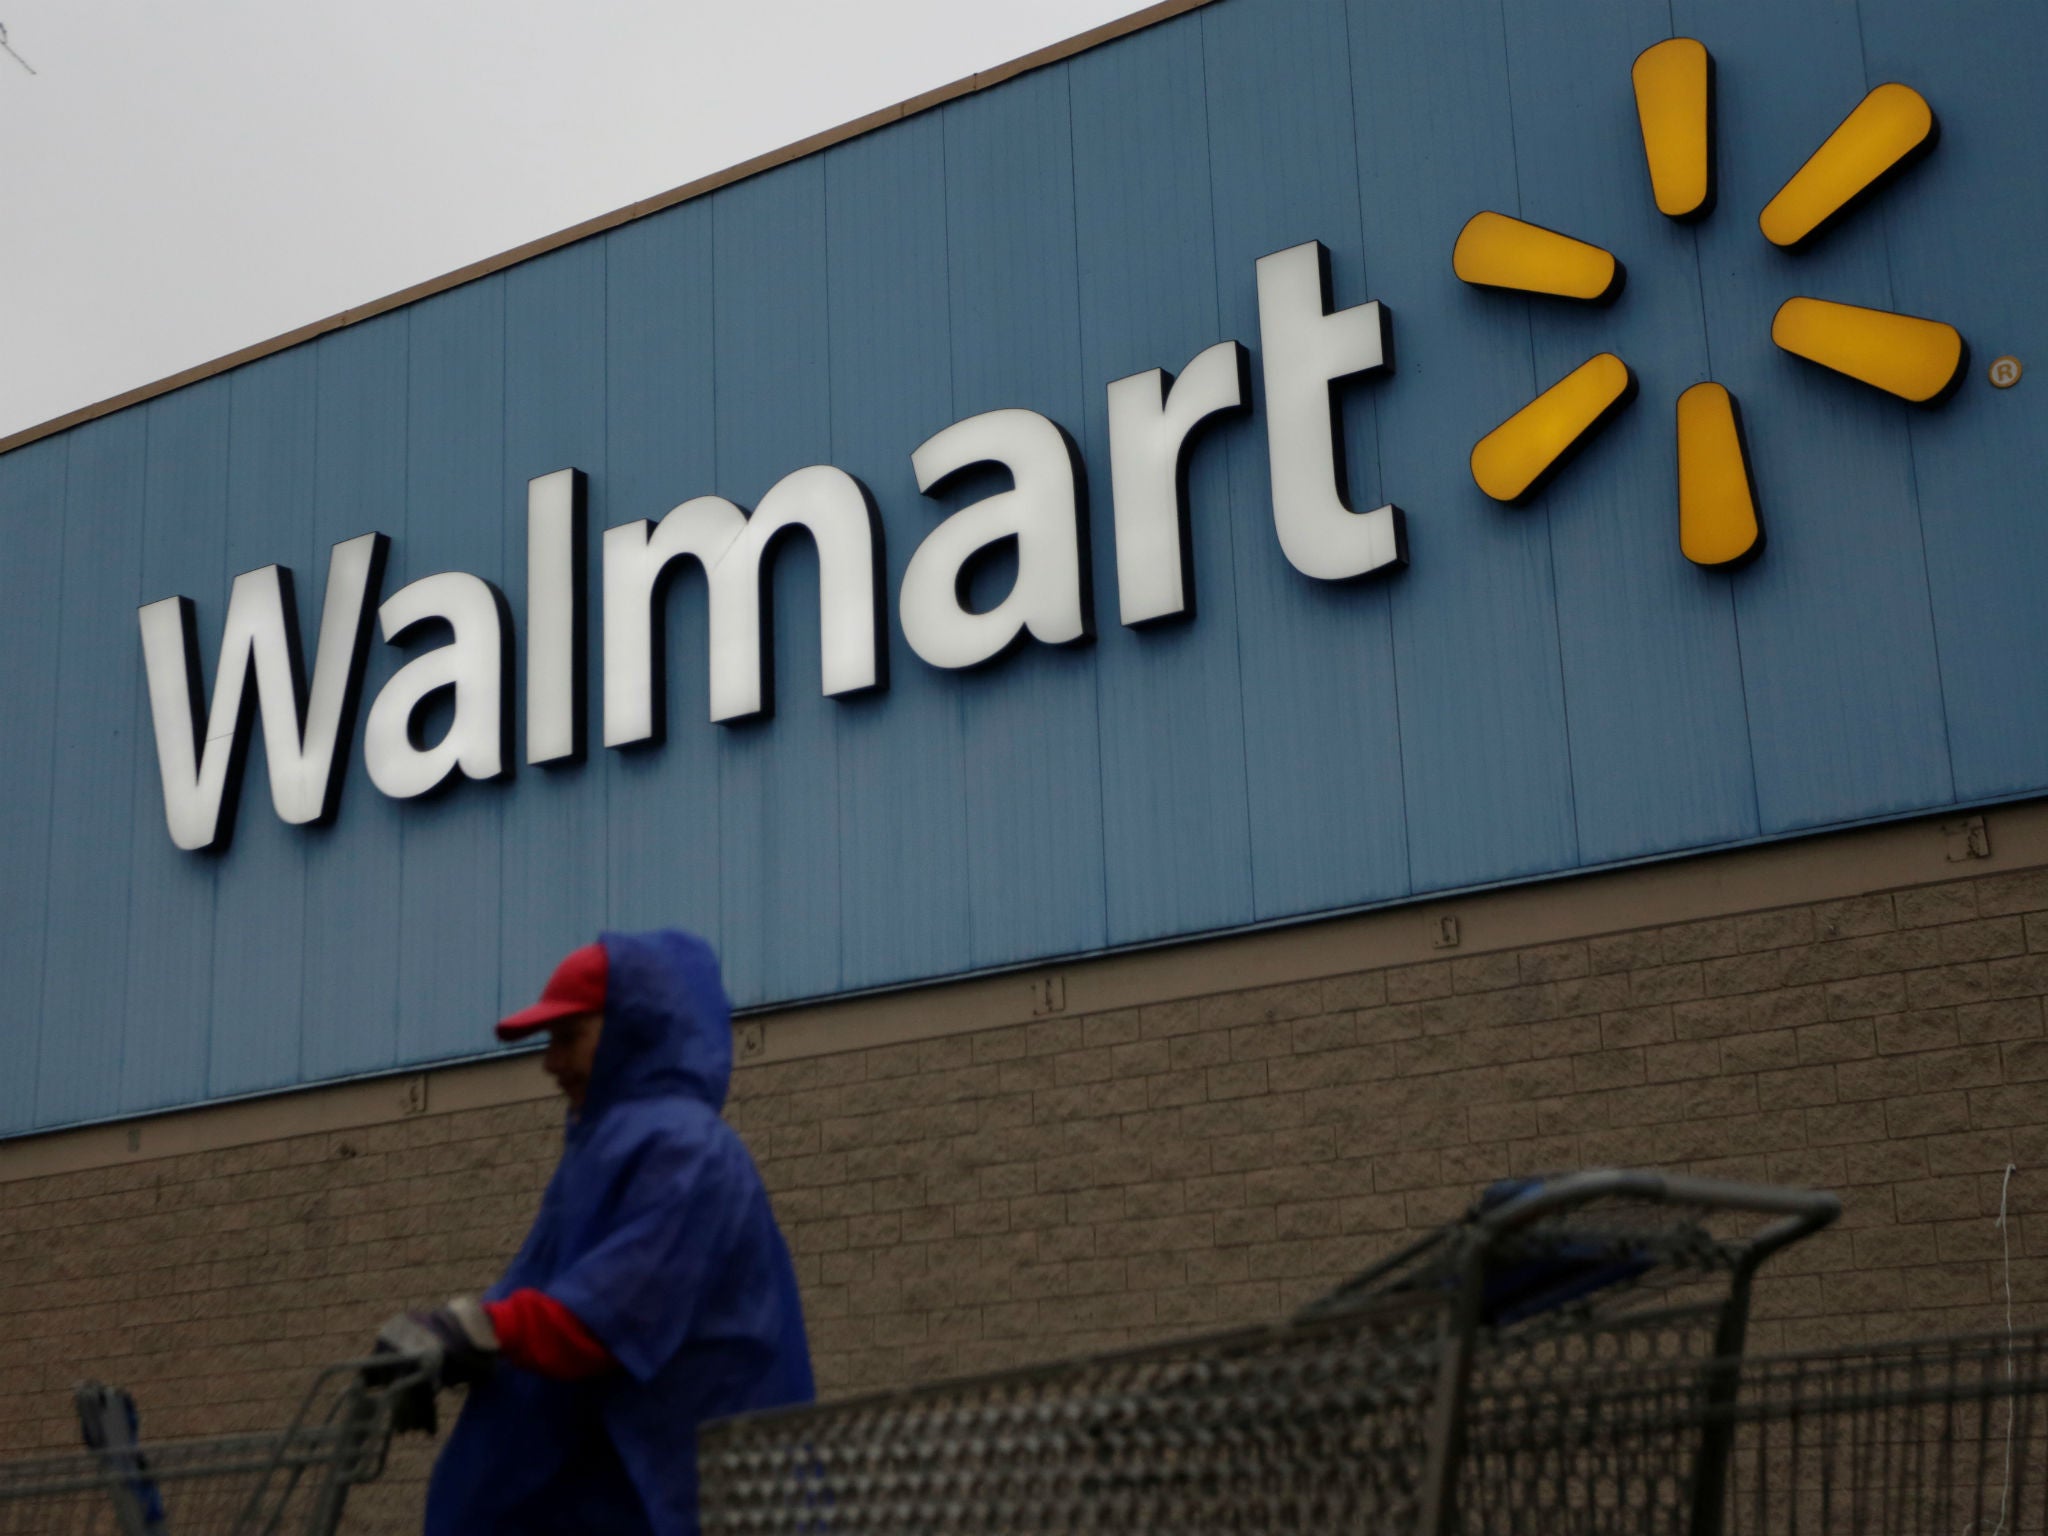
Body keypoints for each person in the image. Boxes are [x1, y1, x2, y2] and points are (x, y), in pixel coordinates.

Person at [374, 929, 814, 1536]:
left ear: (634, 1027)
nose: (551, 1064)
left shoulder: (685, 1152)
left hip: (690, 1499)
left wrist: (474, 1329)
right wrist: (461, 1336)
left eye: (568, 1037)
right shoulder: (607, 1150)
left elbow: (614, 1310)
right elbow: (542, 1290)